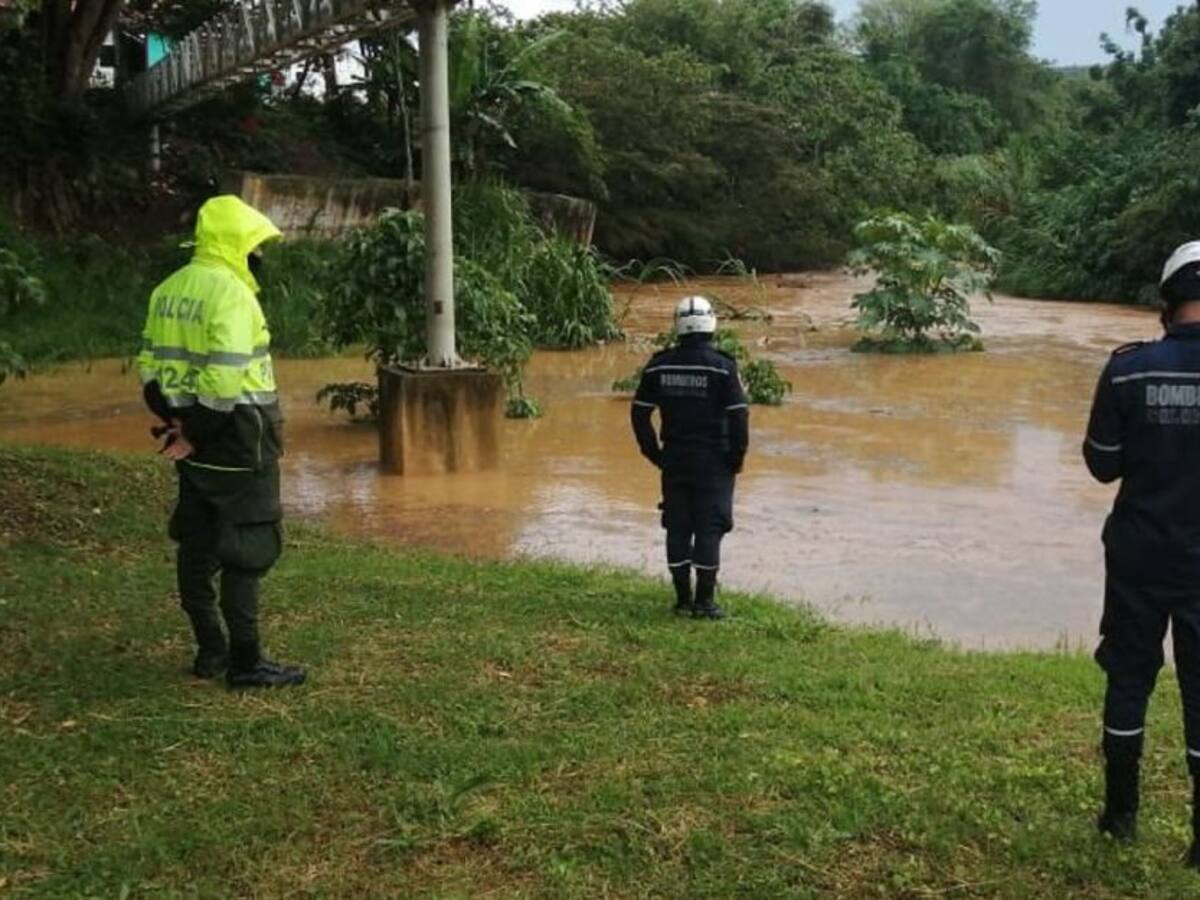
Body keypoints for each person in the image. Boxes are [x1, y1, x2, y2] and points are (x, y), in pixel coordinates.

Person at [137, 195, 305, 689]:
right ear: (237, 245)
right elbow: (225, 383)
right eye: (256, 246)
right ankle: (246, 663)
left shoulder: (168, 290)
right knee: (246, 551)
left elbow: (149, 367)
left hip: (190, 437)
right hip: (238, 443)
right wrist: (196, 434)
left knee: (198, 541)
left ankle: (210, 650)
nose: (260, 256)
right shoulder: (232, 295)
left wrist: (177, 425)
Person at [1084, 240, 1200, 864]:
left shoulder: (1127, 369)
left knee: (1129, 678)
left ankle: (1120, 817)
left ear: (1166, 300)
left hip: (1137, 554)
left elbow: (1102, 465)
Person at [631, 296, 749, 619]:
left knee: (678, 526)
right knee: (710, 527)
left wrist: (653, 452)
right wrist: (736, 458)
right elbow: (739, 417)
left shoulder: (659, 365)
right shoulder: (724, 367)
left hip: (675, 460)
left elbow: (640, 414)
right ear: (711, 324)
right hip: (714, 462)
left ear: (678, 326)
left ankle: (683, 600)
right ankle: (705, 602)